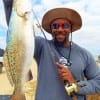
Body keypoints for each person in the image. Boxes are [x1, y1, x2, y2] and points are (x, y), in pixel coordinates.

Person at [34, 8, 100, 100]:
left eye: (65, 25)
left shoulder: (84, 54)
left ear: (71, 28)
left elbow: (98, 82)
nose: (60, 29)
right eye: (55, 26)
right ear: (51, 29)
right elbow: (18, 35)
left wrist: (75, 85)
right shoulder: (41, 46)